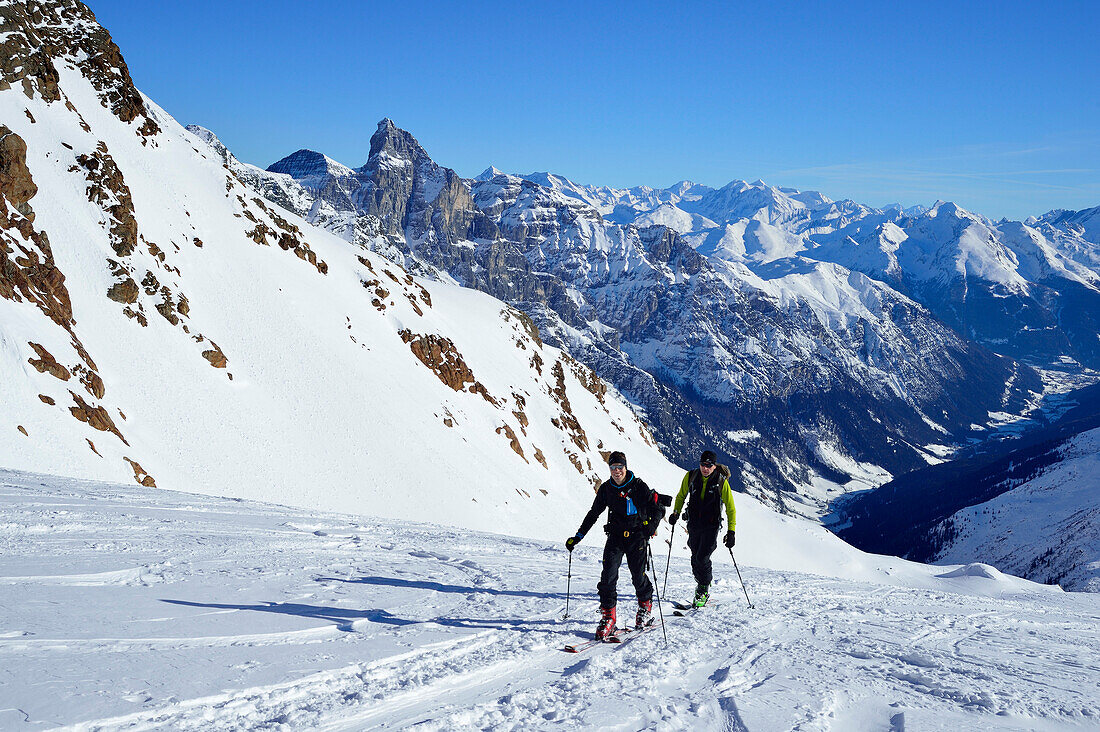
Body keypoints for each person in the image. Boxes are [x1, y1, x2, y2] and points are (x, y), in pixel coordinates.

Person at [566, 451, 671, 640]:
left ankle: (645, 608)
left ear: (626, 466)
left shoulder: (638, 486)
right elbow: (594, 513)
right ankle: (609, 618)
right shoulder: (607, 488)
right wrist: (578, 536)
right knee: (607, 576)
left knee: (638, 576)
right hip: (615, 536)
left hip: (637, 536)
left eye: (620, 467)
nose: (617, 471)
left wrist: (651, 528)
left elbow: (656, 508)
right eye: (613, 468)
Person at [668, 449, 736, 607]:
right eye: (702, 464)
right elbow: (681, 495)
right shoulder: (691, 476)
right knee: (694, 557)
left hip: (711, 526)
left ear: (714, 466)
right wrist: (676, 513)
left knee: (703, 557)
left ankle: (703, 588)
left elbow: (730, 508)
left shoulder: (721, 482)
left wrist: (731, 531)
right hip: (693, 524)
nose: (705, 468)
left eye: (708, 465)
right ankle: (701, 581)